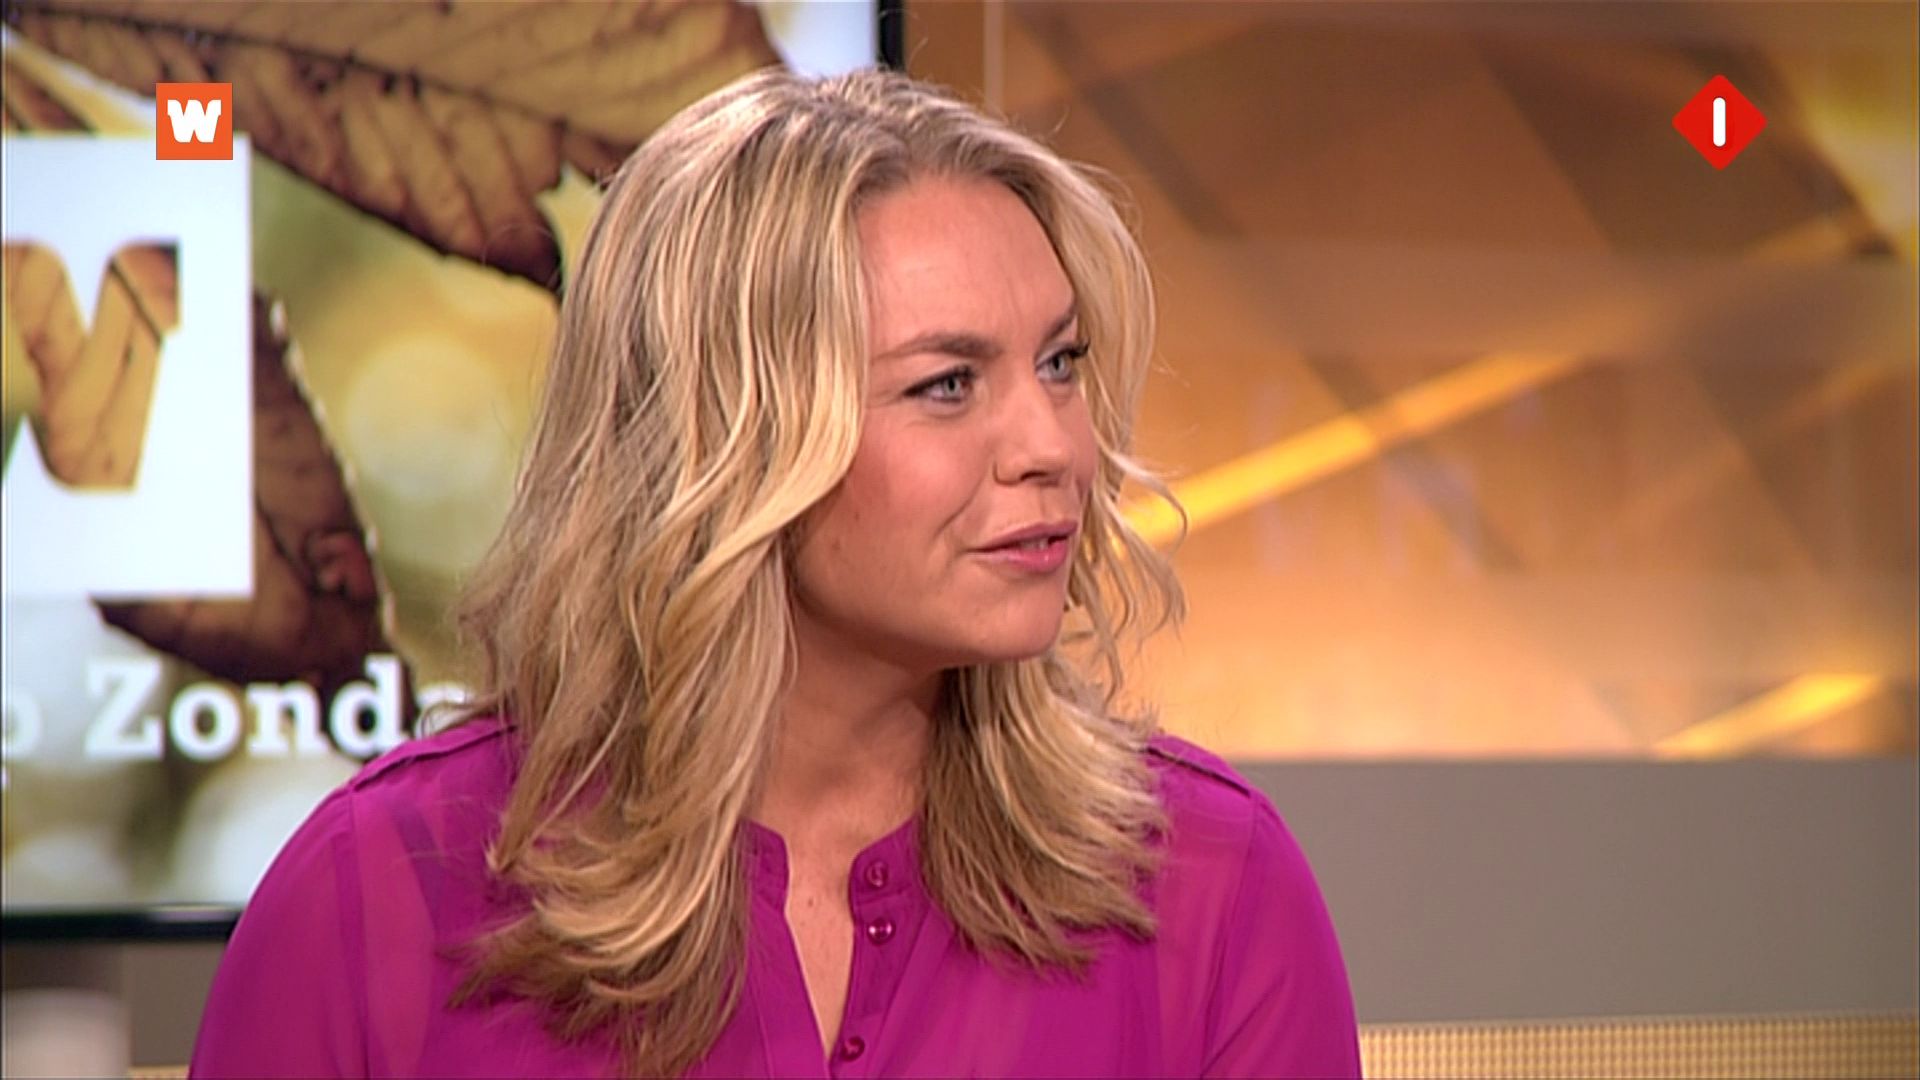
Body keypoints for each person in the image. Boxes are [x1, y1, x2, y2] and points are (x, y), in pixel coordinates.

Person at [190, 67, 1359, 1079]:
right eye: (948, 385)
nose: (1054, 444)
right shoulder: (377, 899)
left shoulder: (1208, 887)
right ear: (724, 442)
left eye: (1060, 363)